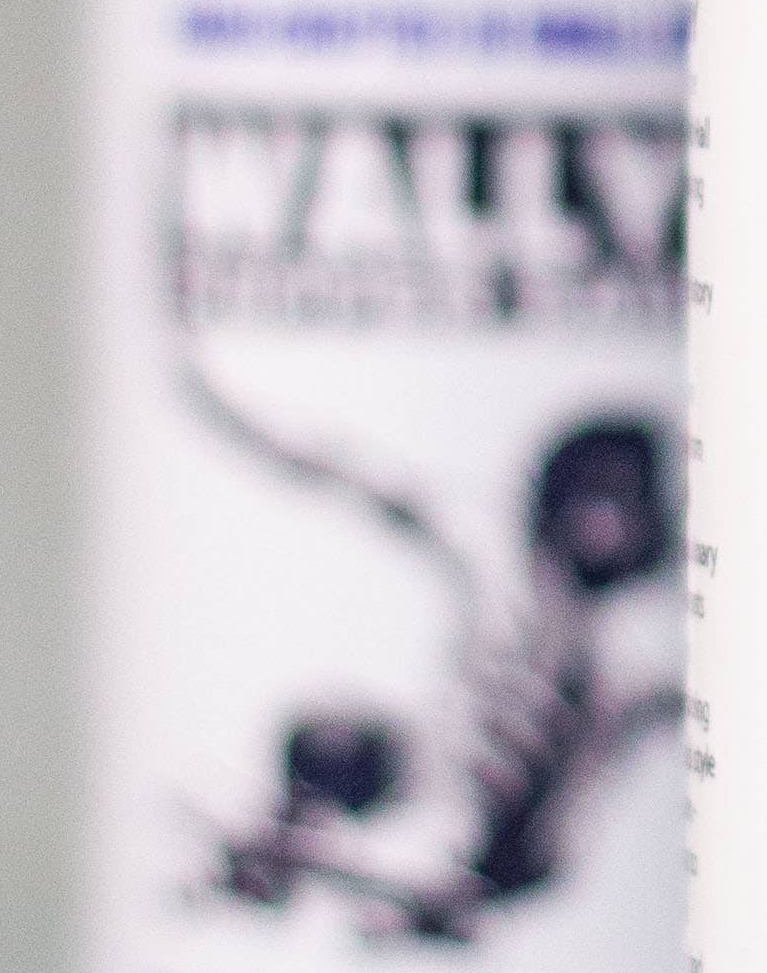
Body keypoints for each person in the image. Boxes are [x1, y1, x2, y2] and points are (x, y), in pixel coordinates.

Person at [193, 390, 681, 943]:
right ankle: (298, 853)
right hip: (430, 788)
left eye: (624, 504)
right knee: (327, 743)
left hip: (520, 847)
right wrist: (222, 405)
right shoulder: (498, 560)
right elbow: (359, 472)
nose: (603, 521)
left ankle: (423, 890)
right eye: (592, 495)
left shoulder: (638, 641)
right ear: (559, 493)